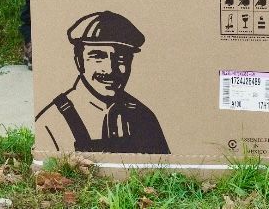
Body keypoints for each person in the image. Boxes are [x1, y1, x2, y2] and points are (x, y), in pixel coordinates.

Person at [35, 10, 169, 154]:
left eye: (121, 58)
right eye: (98, 56)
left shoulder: (144, 118)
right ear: (79, 62)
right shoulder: (51, 123)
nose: (110, 69)